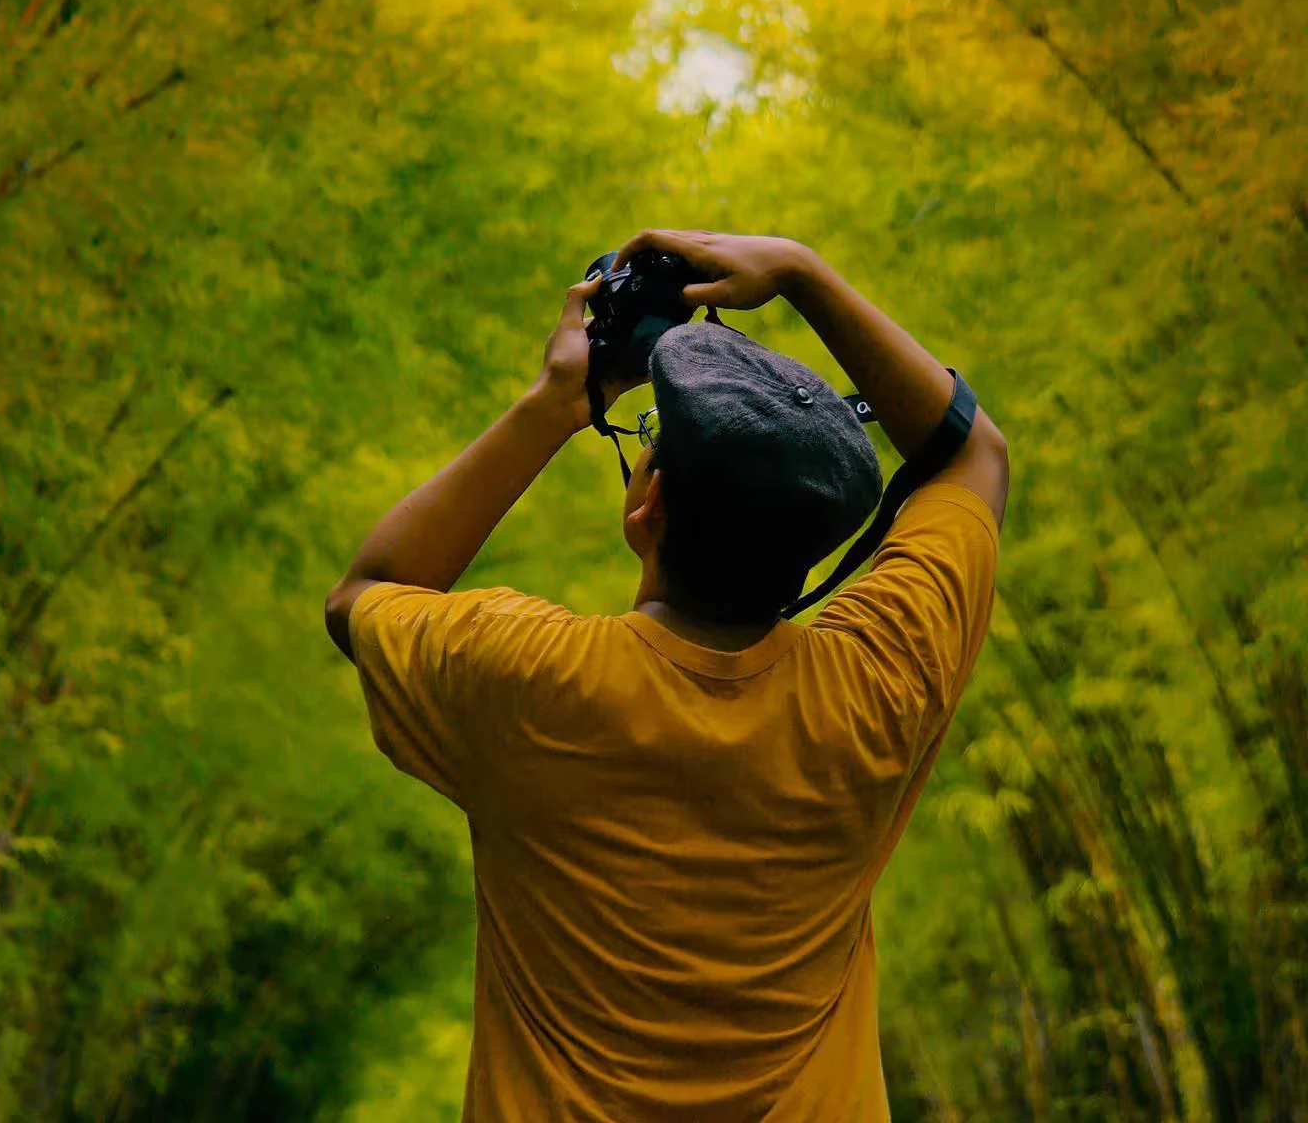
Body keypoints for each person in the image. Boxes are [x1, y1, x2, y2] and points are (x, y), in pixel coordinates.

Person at [325, 229, 1009, 1122]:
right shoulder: (879, 680)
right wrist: (803, 273)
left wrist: (554, 404)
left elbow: (366, 595)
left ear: (646, 506)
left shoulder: (530, 678)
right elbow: (971, 453)